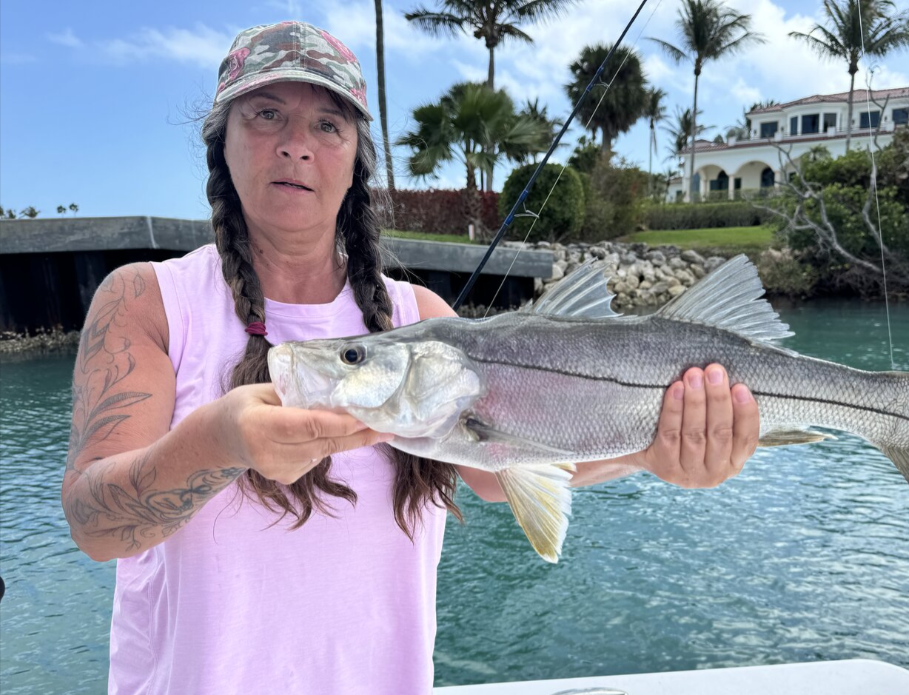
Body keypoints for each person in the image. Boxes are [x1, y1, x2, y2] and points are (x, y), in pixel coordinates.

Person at [60, 20, 761, 695]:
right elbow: (95, 524)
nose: (296, 145)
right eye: (266, 114)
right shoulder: (148, 301)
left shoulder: (422, 317)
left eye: (328, 124)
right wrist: (220, 441)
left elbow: (499, 471)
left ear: (355, 161)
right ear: (223, 145)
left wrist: (651, 449)